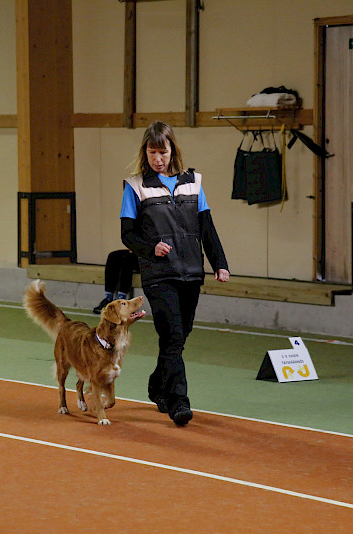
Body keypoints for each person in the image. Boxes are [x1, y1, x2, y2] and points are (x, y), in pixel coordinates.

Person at [120, 121, 230, 426]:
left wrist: (220, 263)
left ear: (172, 150)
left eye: (163, 151)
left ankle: (158, 385)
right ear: (146, 152)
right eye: (153, 152)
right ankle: (179, 401)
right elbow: (127, 235)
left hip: (191, 271)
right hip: (158, 275)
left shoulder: (193, 182)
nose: (158, 158)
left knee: (178, 338)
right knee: (173, 336)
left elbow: (207, 227)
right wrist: (150, 247)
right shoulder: (135, 186)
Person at [92, 249, 139, 314]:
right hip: (138, 251)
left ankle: (121, 299)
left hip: (149, 255)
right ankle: (108, 298)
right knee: (113, 256)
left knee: (128, 258)